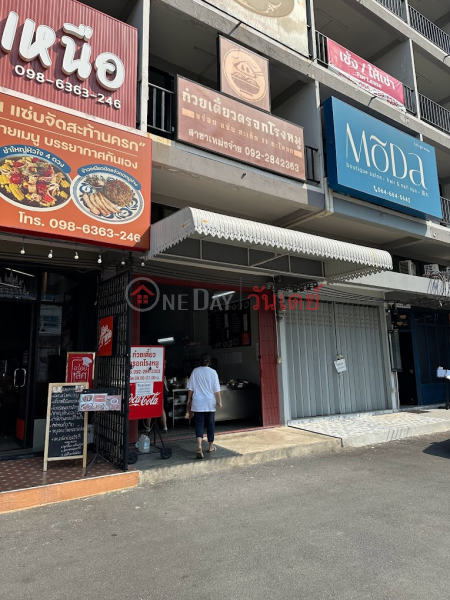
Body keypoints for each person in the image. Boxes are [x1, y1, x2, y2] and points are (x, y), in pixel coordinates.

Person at [187, 353, 222, 459]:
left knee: (199, 425)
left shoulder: (195, 371)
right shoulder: (213, 372)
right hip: (209, 403)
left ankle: (199, 446)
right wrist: (219, 401)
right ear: (209, 362)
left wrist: (189, 400)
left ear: (200, 361)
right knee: (210, 424)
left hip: (198, 403)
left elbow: (191, 388)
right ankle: (211, 446)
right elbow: (217, 390)